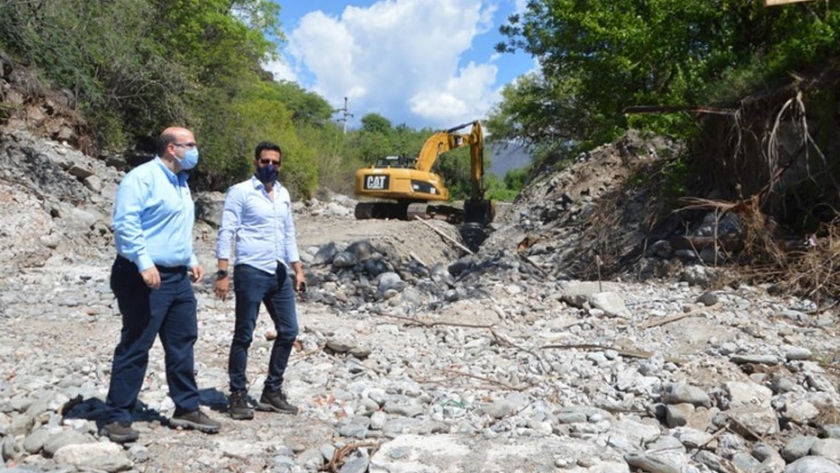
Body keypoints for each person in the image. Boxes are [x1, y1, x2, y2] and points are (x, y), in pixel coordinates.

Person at [101, 127, 221, 443]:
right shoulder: (141, 178)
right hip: (143, 276)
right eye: (190, 145)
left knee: (183, 342)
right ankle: (118, 416)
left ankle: (186, 407)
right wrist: (144, 261)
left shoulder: (181, 183)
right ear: (171, 148)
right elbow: (126, 224)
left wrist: (191, 257)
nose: (195, 150)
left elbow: (175, 229)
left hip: (177, 277)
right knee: (137, 343)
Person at [214, 141, 306, 420]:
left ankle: (272, 391)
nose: (270, 167)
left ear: (280, 165)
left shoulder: (283, 194)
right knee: (244, 334)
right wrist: (222, 273)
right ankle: (237, 394)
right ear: (256, 162)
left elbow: (288, 233)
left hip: (278, 272)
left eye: (275, 163)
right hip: (250, 270)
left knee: (289, 331)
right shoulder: (240, 192)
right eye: (265, 161)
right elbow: (226, 231)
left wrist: (298, 269)